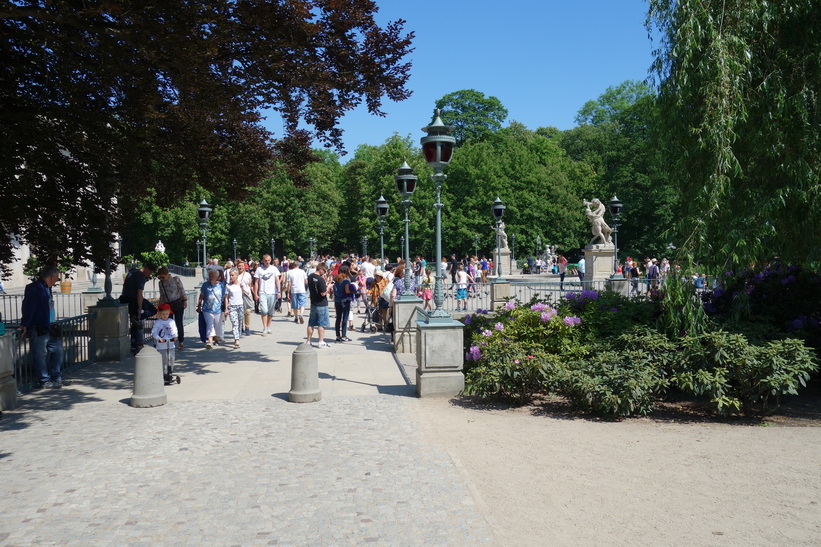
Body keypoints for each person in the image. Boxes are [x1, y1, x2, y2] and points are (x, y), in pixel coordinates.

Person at [20, 266, 66, 389]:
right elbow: (28, 308)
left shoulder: (47, 288)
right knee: (40, 354)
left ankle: (56, 378)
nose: (58, 280)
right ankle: (44, 380)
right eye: (57, 277)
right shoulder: (35, 288)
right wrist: (25, 324)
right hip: (39, 326)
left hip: (50, 326)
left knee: (58, 352)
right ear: (51, 276)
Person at [120, 262, 157, 354]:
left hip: (125, 299)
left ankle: (134, 346)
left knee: (135, 325)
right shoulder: (141, 276)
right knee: (153, 310)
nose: (149, 275)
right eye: (150, 272)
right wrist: (140, 310)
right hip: (134, 300)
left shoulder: (132, 272)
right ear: (147, 268)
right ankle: (136, 318)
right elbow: (139, 294)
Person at [157, 266, 187, 350]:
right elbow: (162, 295)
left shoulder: (175, 279)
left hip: (177, 302)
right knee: (168, 324)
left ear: (167, 274)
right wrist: (160, 306)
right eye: (160, 277)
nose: (161, 278)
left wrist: (184, 300)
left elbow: (181, 290)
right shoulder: (161, 283)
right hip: (167, 305)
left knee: (178, 323)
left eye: (162, 276)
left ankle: (181, 341)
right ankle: (169, 341)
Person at [151, 303, 179, 384]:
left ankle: (170, 372)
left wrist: (175, 336)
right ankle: (164, 374)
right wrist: (159, 339)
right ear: (160, 314)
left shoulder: (171, 321)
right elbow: (154, 332)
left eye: (166, 314)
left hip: (170, 344)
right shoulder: (158, 322)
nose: (165, 316)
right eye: (163, 314)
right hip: (161, 345)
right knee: (164, 360)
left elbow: (174, 330)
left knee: (171, 358)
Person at [197, 268, 225, 349]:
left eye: (212, 276)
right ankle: (210, 341)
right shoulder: (205, 285)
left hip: (218, 309)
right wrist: (199, 305)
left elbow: (224, 297)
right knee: (210, 324)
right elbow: (201, 295)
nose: (210, 277)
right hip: (207, 309)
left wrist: (226, 308)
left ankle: (216, 339)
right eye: (209, 276)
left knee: (217, 324)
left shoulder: (220, 285)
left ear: (216, 277)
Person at [254, 254, 280, 335]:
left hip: (272, 292)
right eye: (265, 260)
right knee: (264, 310)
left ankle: (268, 326)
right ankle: (264, 327)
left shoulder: (274, 269)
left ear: (271, 260)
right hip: (262, 292)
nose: (267, 262)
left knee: (270, 312)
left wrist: (278, 291)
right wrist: (255, 293)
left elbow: (277, 281)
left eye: (268, 260)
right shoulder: (259, 269)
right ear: (263, 261)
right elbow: (256, 282)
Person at [307, 262, 331, 348]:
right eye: (324, 271)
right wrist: (328, 287)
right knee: (322, 323)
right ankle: (321, 341)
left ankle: (308, 341)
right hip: (321, 303)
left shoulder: (310, 276)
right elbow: (323, 293)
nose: (324, 273)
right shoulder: (320, 279)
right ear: (321, 269)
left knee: (311, 323)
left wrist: (325, 285)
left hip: (313, 302)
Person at [333, 263, 356, 342]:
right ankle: (344, 336)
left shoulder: (336, 279)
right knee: (345, 318)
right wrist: (353, 290)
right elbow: (347, 290)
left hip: (337, 300)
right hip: (345, 300)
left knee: (338, 318)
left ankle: (337, 336)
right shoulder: (346, 280)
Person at [225, 267, 244, 348]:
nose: (231, 277)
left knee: (239, 323)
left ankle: (238, 335)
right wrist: (226, 308)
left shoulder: (241, 284)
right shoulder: (228, 286)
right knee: (234, 323)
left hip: (240, 306)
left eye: (232, 275)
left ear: (236, 275)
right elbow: (226, 297)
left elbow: (248, 293)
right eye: (230, 275)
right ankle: (236, 339)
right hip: (232, 306)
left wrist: (243, 288)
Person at [287, 260, 308, 324]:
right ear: (299, 265)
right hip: (301, 289)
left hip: (294, 290)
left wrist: (288, 292)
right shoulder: (302, 271)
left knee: (295, 304)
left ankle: (296, 317)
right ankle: (301, 314)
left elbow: (289, 283)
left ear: (293, 265)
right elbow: (306, 281)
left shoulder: (290, 272)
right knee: (302, 303)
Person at [236, 259, 254, 336]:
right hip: (238, 295)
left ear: (244, 267)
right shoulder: (235, 275)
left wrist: (253, 293)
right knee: (240, 312)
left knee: (247, 312)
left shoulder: (248, 275)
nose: (241, 267)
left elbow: (250, 285)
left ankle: (247, 327)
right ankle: (240, 327)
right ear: (237, 267)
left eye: (242, 266)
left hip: (247, 294)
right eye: (239, 266)